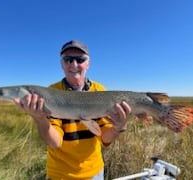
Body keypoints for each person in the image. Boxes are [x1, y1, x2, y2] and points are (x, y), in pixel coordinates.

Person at [14, 40, 131, 180]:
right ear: (62, 64)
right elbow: (55, 142)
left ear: (88, 64)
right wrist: (40, 119)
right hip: (60, 175)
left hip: (94, 173)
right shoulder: (52, 93)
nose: (74, 64)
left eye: (80, 59)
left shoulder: (99, 90)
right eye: (68, 59)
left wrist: (119, 127)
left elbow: (105, 138)